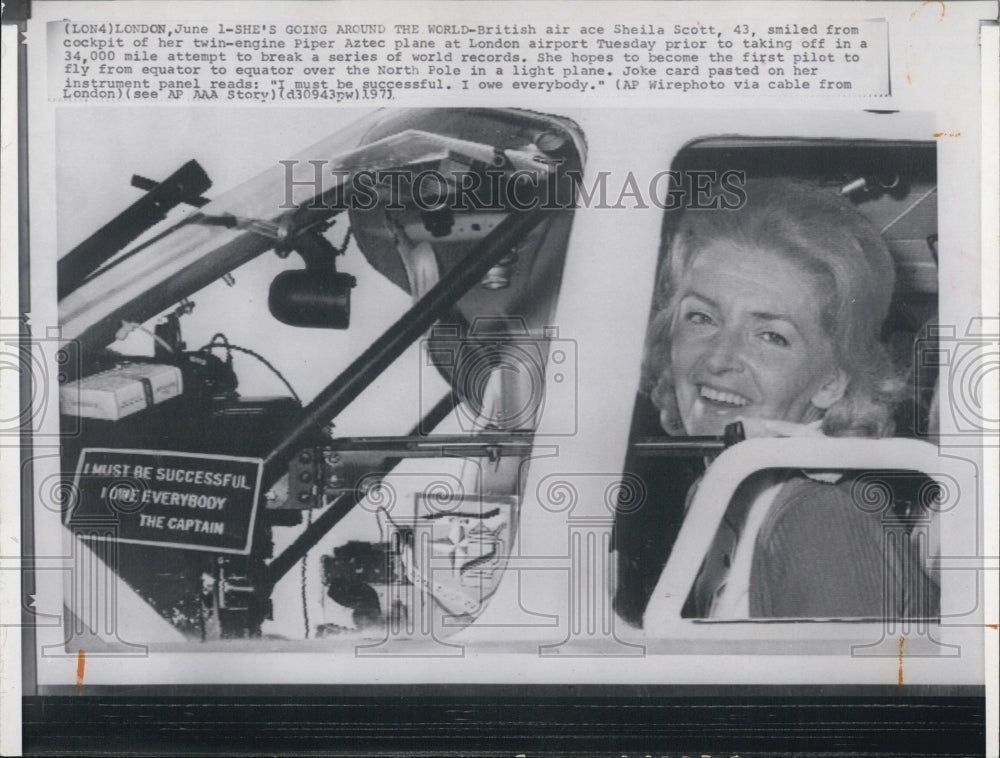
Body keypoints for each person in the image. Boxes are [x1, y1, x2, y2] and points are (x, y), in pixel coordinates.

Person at [631, 178, 937, 621]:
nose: (718, 359)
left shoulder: (820, 519)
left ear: (832, 381)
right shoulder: (725, 485)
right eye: (701, 317)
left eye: (771, 336)